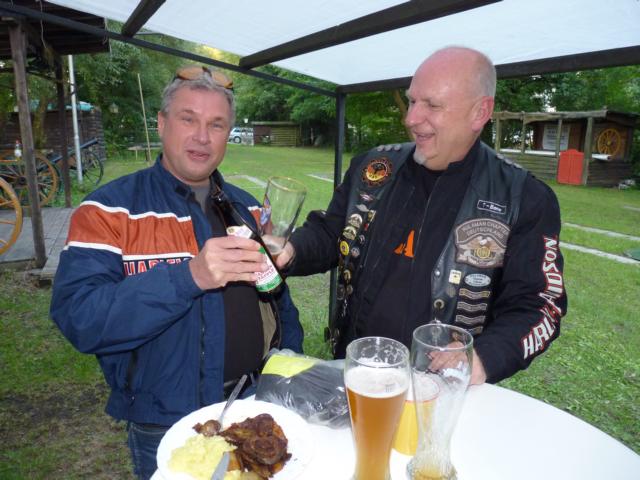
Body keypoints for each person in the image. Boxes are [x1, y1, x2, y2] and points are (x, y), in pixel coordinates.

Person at [50, 66, 303, 479]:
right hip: (166, 421)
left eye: (216, 124)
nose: (202, 136)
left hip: (254, 404)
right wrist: (189, 277)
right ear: (162, 123)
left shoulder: (249, 208)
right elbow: (79, 317)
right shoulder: (108, 210)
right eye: (188, 119)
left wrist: (288, 365)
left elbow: (276, 299)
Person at [276, 46, 566, 385]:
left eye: (432, 105)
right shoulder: (373, 167)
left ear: (479, 112)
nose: (411, 118)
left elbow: (541, 305)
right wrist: (291, 250)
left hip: (440, 390)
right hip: (356, 375)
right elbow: (333, 233)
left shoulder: (523, 197)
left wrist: (483, 357)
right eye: (412, 101)